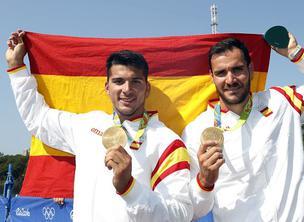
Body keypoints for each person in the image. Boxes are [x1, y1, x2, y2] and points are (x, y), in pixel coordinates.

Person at [6, 30, 193, 222]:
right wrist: (17, 68)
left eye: (135, 82)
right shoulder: (88, 125)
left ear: (147, 89)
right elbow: (38, 119)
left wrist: (130, 188)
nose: (127, 90)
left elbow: (181, 214)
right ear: (107, 88)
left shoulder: (168, 142)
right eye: (118, 81)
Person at [182, 32, 304, 221]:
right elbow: (194, 211)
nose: (230, 80)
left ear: (251, 69)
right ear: (212, 77)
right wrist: (205, 180)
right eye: (221, 73)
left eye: (237, 69)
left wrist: (297, 54)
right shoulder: (196, 131)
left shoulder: (282, 101)